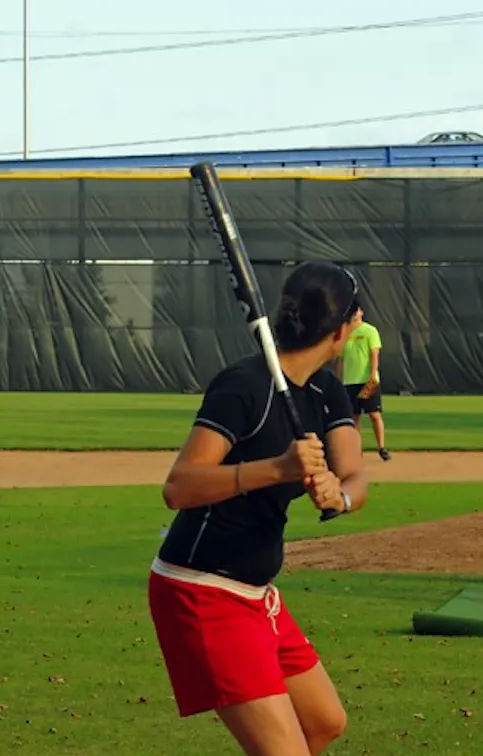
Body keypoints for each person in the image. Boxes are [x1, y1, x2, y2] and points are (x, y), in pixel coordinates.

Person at [147, 261, 371, 756]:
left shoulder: (325, 390)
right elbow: (179, 487)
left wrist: (341, 494)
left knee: (323, 723)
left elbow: (355, 476)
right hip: (201, 590)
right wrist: (277, 468)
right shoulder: (244, 385)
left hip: (256, 596)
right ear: (343, 330)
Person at [336, 309, 391, 462]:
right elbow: (341, 360)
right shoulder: (345, 332)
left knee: (374, 414)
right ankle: (356, 450)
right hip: (349, 381)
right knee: (354, 417)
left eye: (357, 310)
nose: (354, 313)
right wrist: (338, 380)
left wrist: (373, 376)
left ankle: (381, 447)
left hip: (367, 381)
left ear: (362, 312)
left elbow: (374, 354)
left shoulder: (370, 331)